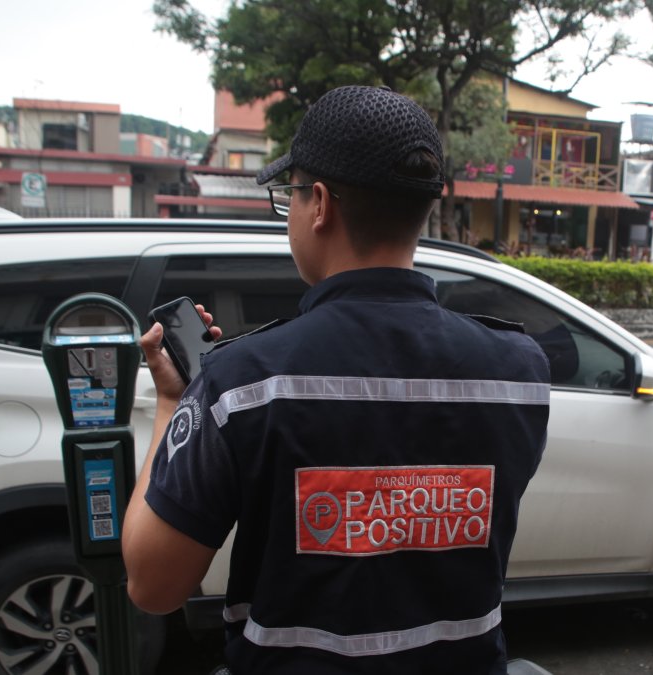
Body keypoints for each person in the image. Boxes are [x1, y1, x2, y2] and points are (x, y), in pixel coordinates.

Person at [122, 85, 551, 674]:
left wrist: (174, 401)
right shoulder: (520, 373)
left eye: (288, 196)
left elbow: (152, 585)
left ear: (318, 203)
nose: (290, 214)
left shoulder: (243, 383)